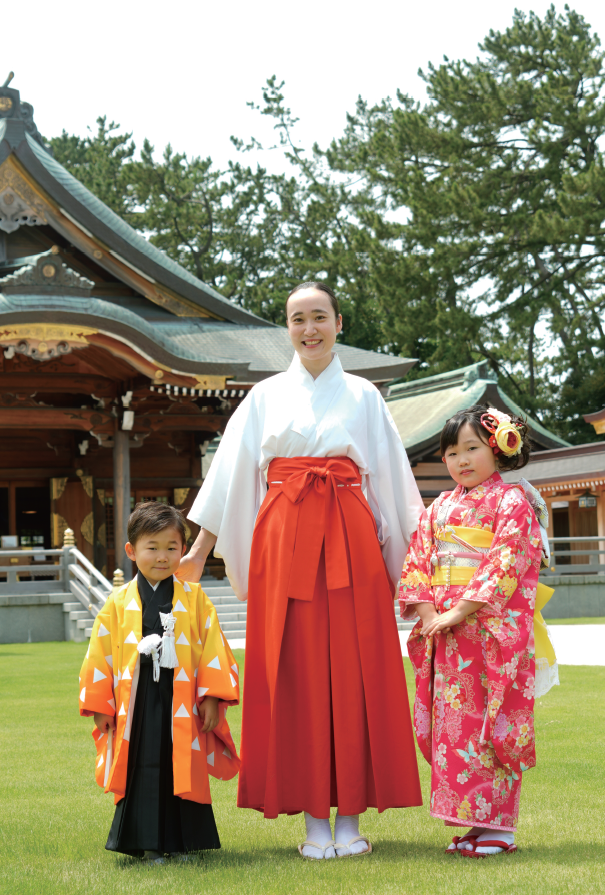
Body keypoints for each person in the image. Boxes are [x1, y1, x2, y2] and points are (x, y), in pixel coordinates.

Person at [179, 281, 424, 859]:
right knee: (294, 672)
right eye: (297, 319)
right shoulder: (264, 397)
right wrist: (197, 549)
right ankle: (315, 819)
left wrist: (416, 565)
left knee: (358, 668)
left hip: (351, 533)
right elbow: (231, 479)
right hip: (283, 539)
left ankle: (351, 820)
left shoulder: (365, 395)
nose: (309, 328)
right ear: (285, 329)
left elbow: (392, 483)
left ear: (339, 323)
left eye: (319, 317)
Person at [399, 405, 556, 859]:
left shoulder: (511, 502)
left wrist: (461, 610)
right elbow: (418, 561)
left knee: (491, 723)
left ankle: (500, 829)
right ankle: (471, 821)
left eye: (472, 448)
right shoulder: (439, 508)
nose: (461, 460)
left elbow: (508, 560)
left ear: (497, 448)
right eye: (451, 452)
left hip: (488, 633)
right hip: (446, 634)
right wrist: (430, 613)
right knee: (453, 728)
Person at [79, 502, 240, 863]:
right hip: (135, 703)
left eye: (172, 548)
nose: (162, 557)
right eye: (152, 548)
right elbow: (99, 654)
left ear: (183, 550)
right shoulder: (118, 603)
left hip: (179, 699)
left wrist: (212, 697)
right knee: (144, 763)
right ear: (132, 551)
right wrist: (100, 707)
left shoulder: (194, 599)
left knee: (181, 763)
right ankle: (147, 843)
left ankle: (183, 843)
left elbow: (212, 648)